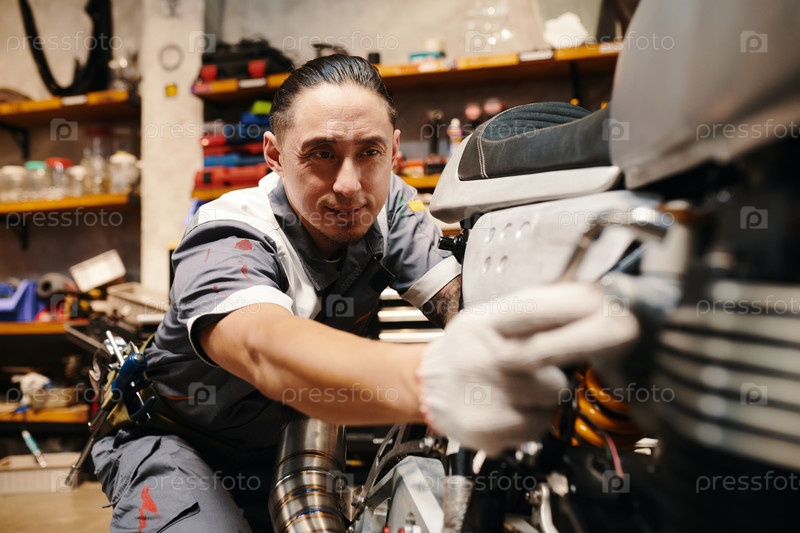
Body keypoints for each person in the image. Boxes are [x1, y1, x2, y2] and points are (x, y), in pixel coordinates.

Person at [91, 54, 638, 532]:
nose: (349, 184)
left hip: (287, 444)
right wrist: (439, 380)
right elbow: (263, 350)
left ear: (393, 150)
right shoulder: (228, 233)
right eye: (321, 153)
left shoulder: (390, 207)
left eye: (369, 152)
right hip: (181, 445)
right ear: (274, 155)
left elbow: (462, 303)